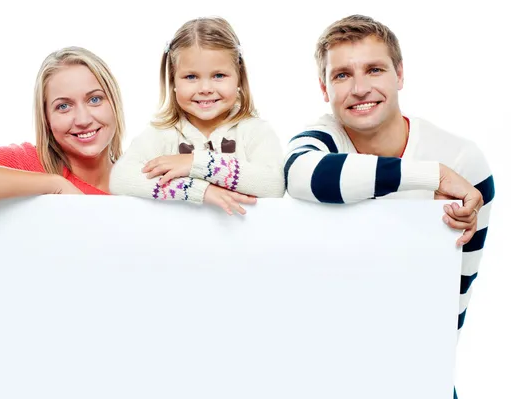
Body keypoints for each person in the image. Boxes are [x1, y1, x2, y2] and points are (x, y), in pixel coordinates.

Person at [283, 15, 495, 398]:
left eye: (374, 70)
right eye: (342, 75)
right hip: (326, 367)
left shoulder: (462, 161)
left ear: (400, 74)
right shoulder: (322, 138)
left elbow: (455, 296)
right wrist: (430, 176)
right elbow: (299, 174)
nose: (360, 88)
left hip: (417, 369)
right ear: (323, 87)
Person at [110, 16, 285, 216]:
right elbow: (121, 178)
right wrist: (198, 190)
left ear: (239, 77)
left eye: (219, 75)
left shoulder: (255, 131)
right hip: (179, 243)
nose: (205, 88)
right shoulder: (162, 133)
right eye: (191, 77)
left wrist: (197, 164)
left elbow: (274, 184)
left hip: (242, 244)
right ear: (173, 81)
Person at [0, 46, 125, 212]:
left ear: (114, 104)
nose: (83, 119)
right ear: (46, 118)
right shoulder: (28, 163)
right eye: (63, 106)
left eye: (95, 99)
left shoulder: (143, 182)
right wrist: (55, 185)